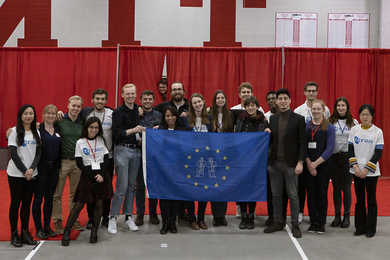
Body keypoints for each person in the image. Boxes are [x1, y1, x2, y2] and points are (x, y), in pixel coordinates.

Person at [61, 117, 113, 246]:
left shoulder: (101, 140)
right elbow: (79, 162)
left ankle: (94, 230)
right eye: (91, 127)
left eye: (96, 128)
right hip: (87, 175)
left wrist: (101, 175)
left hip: (101, 174)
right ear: (87, 128)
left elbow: (106, 159)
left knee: (99, 203)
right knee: (79, 204)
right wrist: (92, 176)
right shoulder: (80, 142)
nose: (94, 130)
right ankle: (67, 231)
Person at [264, 89, 306, 238]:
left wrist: (300, 162)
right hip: (274, 164)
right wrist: (266, 132)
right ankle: (277, 222)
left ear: (289, 100)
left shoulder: (299, 119)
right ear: (276, 101)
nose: (282, 101)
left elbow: (303, 143)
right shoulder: (273, 119)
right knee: (276, 195)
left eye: (284, 98)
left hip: (291, 164)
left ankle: (295, 224)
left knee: (293, 195)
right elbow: (271, 141)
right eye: (279, 98)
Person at [108, 84, 145, 235]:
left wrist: (139, 138)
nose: (130, 96)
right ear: (122, 95)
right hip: (122, 149)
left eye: (133, 93)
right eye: (127, 94)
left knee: (132, 185)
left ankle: (128, 216)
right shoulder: (117, 112)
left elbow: (137, 130)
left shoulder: (137, 109)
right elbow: (116, 133)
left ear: (136, 94)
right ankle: (113, 217)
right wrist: (133, 131)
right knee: (121, 185)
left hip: (135, 151)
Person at [294, 81, 331, 224]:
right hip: (304, 154)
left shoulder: (325, 109)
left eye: (313, 90)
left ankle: (316, 217)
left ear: (317, 92)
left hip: (319, 155)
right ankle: (300, 212)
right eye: (308, 90)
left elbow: (326, 128)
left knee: (318, 190)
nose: (311, 93)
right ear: (304, 92)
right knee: (301, 186)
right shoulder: (298, 110)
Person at [7, 104, 42, 247]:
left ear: (34, 116)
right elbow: (13, 154)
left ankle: (25, 232)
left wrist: (32, 169)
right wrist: (24, 171)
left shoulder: (36, 132)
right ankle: (14, 233)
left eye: (31, 113)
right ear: (21, 116)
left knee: (27, 204)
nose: (28, 116)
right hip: (16, 174)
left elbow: (38, 153)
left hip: (32, 174)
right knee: (16, 203)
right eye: (26, 113)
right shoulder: (14, 132)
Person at [349, 104, 384, 238]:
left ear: (372, 116)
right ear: (359, 116)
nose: (365, 117)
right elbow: (350, 149)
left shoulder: (377, 132)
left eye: (367, 114)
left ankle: (371, 229)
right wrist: (356, 167)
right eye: (362, 114)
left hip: (371, 172)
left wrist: (367, 169)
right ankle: (360, 227)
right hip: (356, 171)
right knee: (359, 199)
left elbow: (378, 152)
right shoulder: (354, 130)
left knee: (371, 200)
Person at [235, 96, 270, 230]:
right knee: (243, 188)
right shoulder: (240, 119)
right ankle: (243, 215)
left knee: (253, 187)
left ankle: (251, 215)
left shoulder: (263, 121)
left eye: (252, 105)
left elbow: (267, 140)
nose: (250, 108)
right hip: (242, 160)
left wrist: (267, 132)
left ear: (257, 106)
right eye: (247, 105)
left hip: (256, 161)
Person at [52, 95, 84, 234]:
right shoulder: (59, 120)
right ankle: (57, 220)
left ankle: (73, 218)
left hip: (77, 163)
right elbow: (44, 126)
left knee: (74, 193)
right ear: (68, 106)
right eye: (73, 106)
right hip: (62, 162)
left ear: (81, 108)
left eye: (78, 106)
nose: (75, 108)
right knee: (57, 194)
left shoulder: (83, 123)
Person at [304, 100, 335, 235]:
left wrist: (315, 164)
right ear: (311, 110)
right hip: (308, 165)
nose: (316, 111)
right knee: (310, 195)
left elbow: (330, 149)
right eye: (314, 109)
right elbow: (303, 146)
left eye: (318, 109)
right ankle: (313, 222)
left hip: (323, 166)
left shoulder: (329, 127)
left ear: (323, 110)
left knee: (322, 194)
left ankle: (321, 223)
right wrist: (309, 163)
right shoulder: (306, 126)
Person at [182, 93, 211, 230]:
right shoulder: (186, 119)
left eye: (199, 101)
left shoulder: (210, 119)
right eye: (194, 103)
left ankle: (201, 218)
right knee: (190, 189)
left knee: (203, 190)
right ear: (191, 106)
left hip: (206, 159)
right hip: (190, 160)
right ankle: (192, 219)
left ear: (204, 102)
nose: (197, 104)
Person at [32, 105, 62, 240]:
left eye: (53, 113)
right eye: (48, 113)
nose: (50, 116)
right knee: (38, 199)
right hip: (41, 168)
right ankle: (39, 228)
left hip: (54, 169)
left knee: (49, 198)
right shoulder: (38, 129)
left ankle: (47, 226)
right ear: (43, 115)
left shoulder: (58, 128)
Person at [328, 97, 358, 228]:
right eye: (338, 105)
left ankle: (347, 215)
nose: (340, 108)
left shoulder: (354, 123)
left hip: (347, 158)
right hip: (334, 158)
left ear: (347, 107)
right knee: (336, 188)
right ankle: (337, 215)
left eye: (343, 106)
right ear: (335, 107)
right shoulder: (330, 122)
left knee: (346, 188)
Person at [135, 90, 162, 226]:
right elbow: (132, 128)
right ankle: (140, 213)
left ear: (153, 100)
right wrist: (137, 139)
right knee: (140, 185)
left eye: (150, 99)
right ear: (141, 100)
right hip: (139, 153)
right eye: (144, 99)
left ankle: (153, 213)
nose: (147, 101)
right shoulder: (136, 114)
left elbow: (163, 132)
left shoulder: (159, 115)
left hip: (154, 155)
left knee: (153, 184)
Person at [158, 106, 186, 234]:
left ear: (176, 116)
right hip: (163, 168)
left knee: (175, 195)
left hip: (178, 168)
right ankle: (165, 222)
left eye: (172, 115)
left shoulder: (182, 130)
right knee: (164, 196)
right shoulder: (159, 130)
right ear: (164, 117)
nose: (170, 118)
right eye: (167, 116)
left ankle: (173, 221)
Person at [210, 90, 234, 227]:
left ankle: (222, 215)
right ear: (214, 100)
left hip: (226, 155)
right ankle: (215, 215)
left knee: (223, 186)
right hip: (212, 155)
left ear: (225, 100)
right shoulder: (209, 115)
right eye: (217, 98)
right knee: (214, 186)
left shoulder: (230, 115)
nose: (220, 100)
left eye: (222, 98)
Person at [263, 91, 287, 227]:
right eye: (269, 99)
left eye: (274, 98)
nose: (272, 100)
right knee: (272, 191)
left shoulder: (288, 116)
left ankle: (282, 216)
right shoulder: (266, 117)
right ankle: (271, 216)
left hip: (285, 159)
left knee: (284, 191)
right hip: (271, 160)